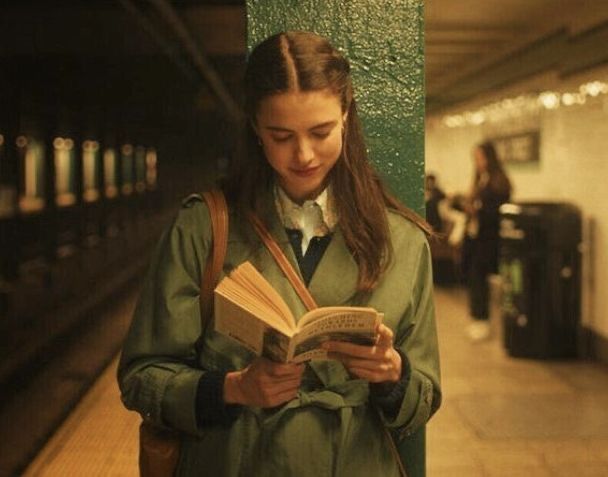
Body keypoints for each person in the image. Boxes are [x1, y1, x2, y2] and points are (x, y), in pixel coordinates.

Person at [118, 31, 441, 476]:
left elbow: (424, 398)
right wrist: (233, 389)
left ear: (346, 115)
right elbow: (140, 378)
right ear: (255, 127)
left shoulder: (403, 241)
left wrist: (391, 374)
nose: (303, 154)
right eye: (281, 135)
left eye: (321, 131)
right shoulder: (203, 228)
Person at [462, 141, 512, 341]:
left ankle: (482, 320)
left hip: (489, 240)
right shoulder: (481, 180)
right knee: (474, 277)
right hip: (475, 238)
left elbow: (496, 212)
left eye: (480, 157)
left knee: (479, 277)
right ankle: (478, 318)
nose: (478, 162)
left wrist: (478, 210)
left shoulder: (499, 183)